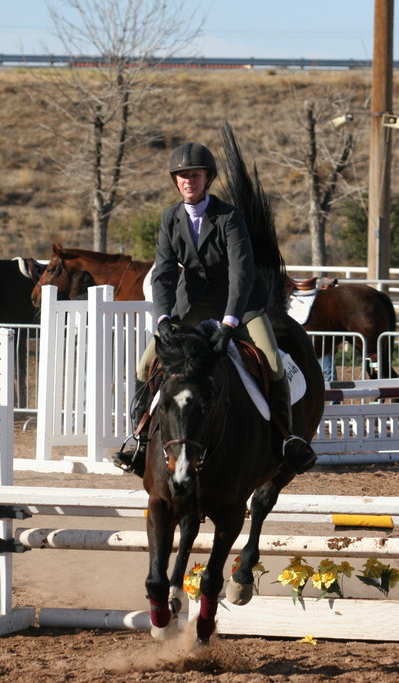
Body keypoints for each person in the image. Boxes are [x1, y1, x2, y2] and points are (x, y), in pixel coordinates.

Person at [115, 141, 315, 478]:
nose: (188, 181)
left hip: (240, 301)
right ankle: (138, 440)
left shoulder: (229, 217)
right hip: (192, 303)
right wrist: (163, 318)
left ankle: (286, 440)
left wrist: (229, 322)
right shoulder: (170, 218)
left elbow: (241, 272)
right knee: (144, 364)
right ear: (175, 181)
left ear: (208, 179)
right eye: (181, 176)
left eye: (194, 175)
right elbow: (163, 272)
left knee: (271, 360)